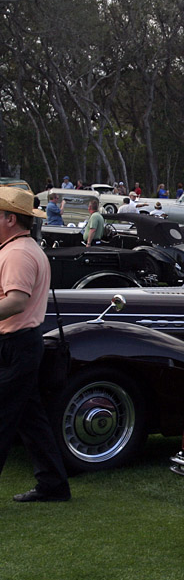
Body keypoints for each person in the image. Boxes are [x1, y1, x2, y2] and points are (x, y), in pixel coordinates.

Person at [0, 187, 72, 503]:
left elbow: (16, 301)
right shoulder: (21, 248)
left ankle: (53, 484)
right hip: (20, 344)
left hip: (15, 345)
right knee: (31, 420)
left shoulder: (17, 253)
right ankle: (53, 484)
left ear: (9, 218)